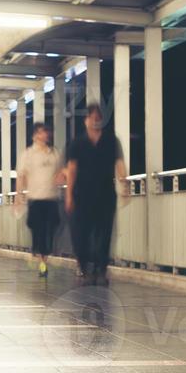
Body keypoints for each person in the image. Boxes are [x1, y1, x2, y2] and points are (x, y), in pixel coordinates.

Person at [64, 104, 129, 287]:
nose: (95, 121)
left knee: (104, 233)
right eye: (92, 117)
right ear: (85, 120)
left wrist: (124, 183)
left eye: (98, 117)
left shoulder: (111, 141)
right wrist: (69, 195)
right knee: (81, 234)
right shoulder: (77, 143)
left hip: (106, 194)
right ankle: (83, 266)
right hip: (81, 195)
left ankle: (101, 269)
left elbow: (119, 164)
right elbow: (72, 170)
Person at [19, 122, 67, 278]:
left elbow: (63, 172)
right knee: (38, 230)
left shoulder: (55, 153)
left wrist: (62, 177)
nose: (44, 135)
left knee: (52, 228)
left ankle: (43, 256)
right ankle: (42, 261)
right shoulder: (27, 154)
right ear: (34, 136)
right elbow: (21, 175)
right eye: (41, 132)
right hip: (35, 198)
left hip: (52, 198)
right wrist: (19, 195)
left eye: (46, 132)